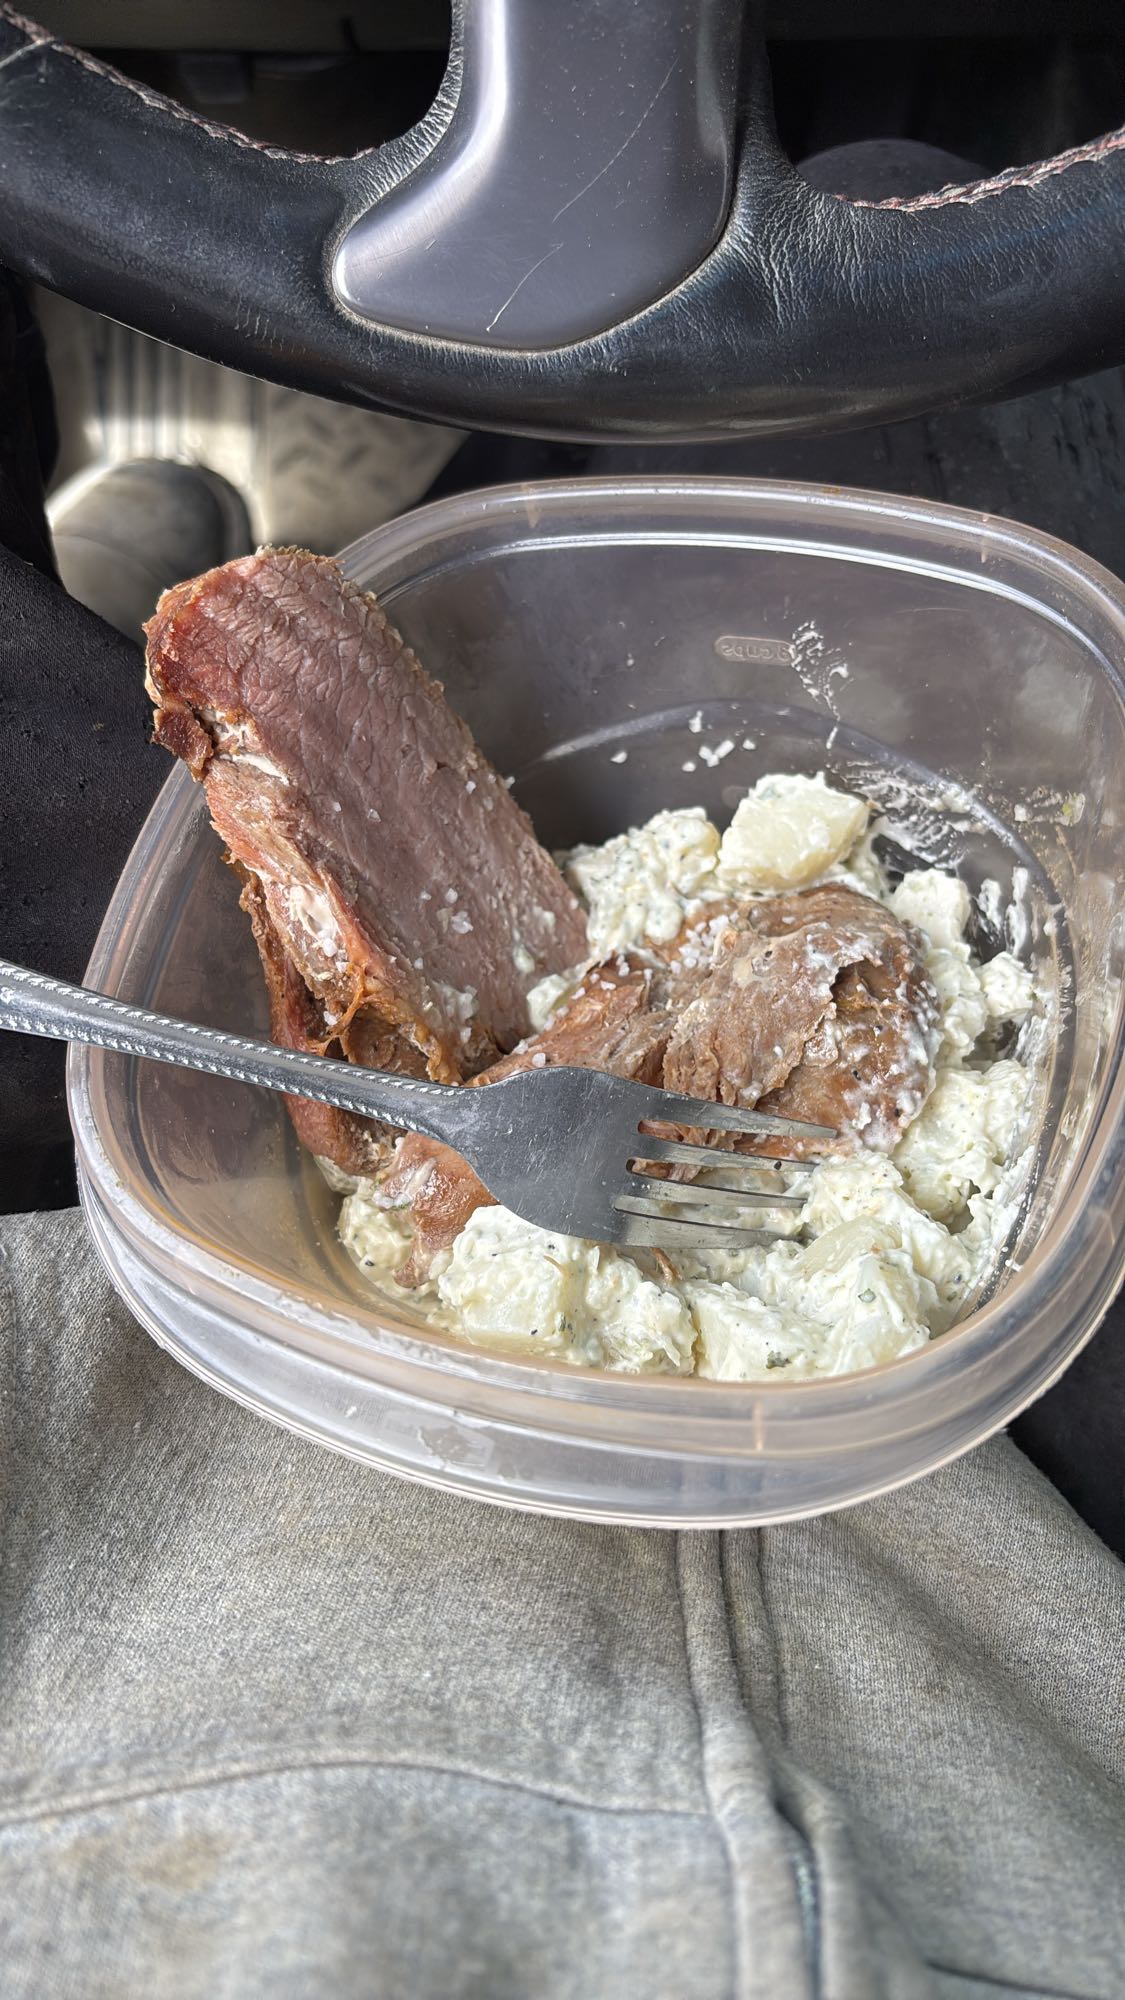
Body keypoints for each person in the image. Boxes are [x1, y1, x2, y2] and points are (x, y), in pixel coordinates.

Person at [0, 247, 1123, 1998]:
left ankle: (207, 522)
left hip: (141, 1609)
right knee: (877, 263)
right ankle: (435, 453)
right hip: (946, 1624)